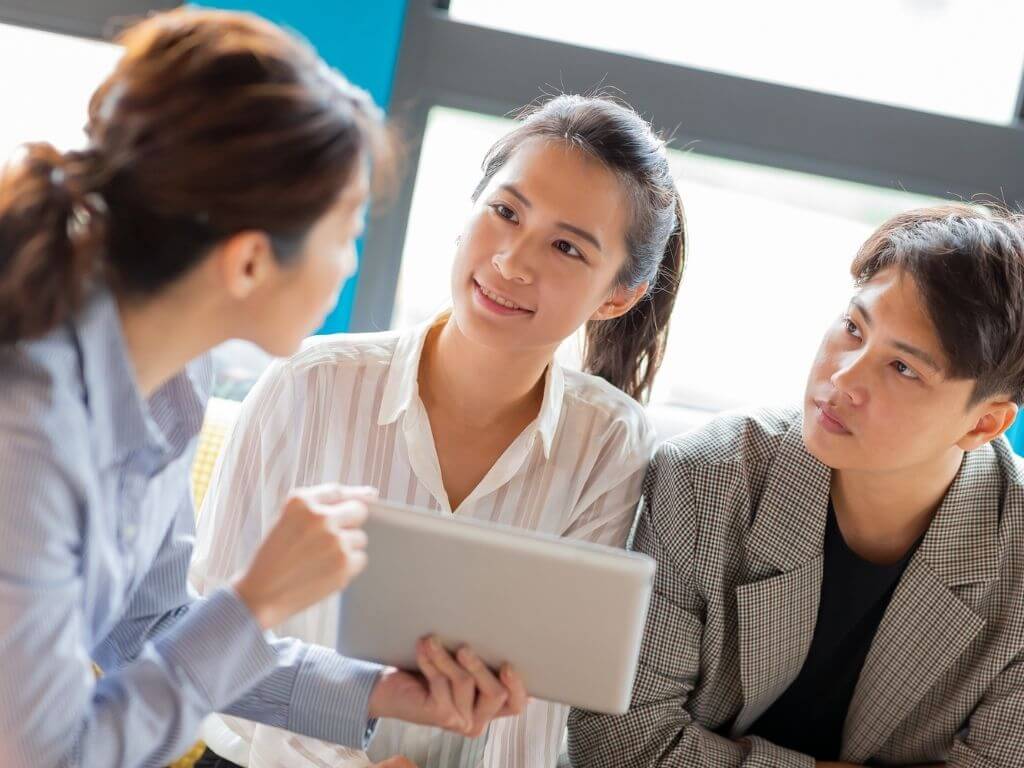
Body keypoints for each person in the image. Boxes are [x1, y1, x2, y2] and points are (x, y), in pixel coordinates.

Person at [0, 10, 525, 768]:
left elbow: (151, 628)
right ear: (248, 262)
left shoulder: (172, 377)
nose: (349, 264)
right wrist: (259, 599)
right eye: (345, 232)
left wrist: (375, 691)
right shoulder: (28, 433)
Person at [191, 93, 686, 768]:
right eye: (505, 212)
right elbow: (210, 630)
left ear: (617, 296)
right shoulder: (308, 385)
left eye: (566, 246)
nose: (512, 261)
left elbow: (539, 709)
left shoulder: (610, 442)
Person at [568, 203, 1024, 768]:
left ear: (983, 423)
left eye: (903, 368)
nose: (843, 378)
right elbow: (616, 742)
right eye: (854, 328)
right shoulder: (706, 478)